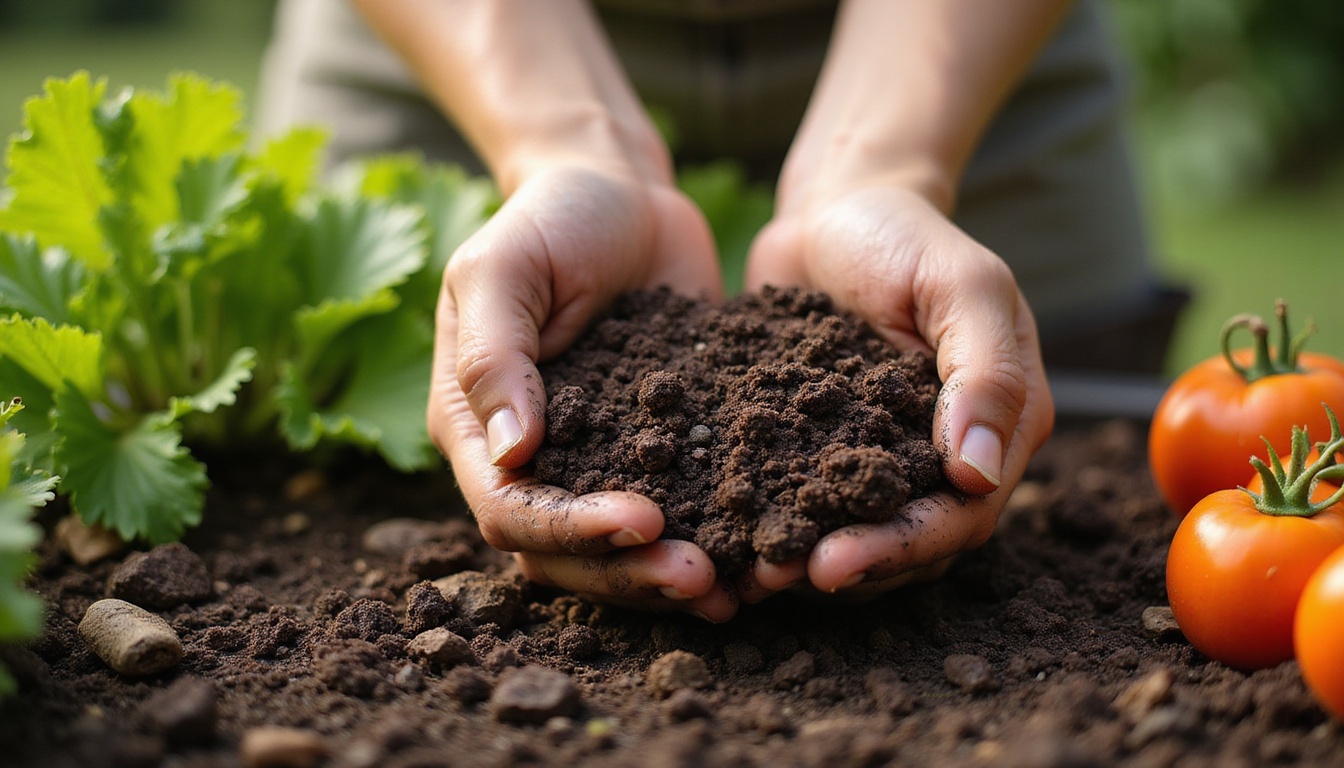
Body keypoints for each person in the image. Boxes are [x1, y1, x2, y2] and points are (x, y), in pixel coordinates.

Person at [256, 0, 1168, 622]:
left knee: (997, 395)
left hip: (963, 56)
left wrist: (885, 168)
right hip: (465, 45)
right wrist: (565, 146)